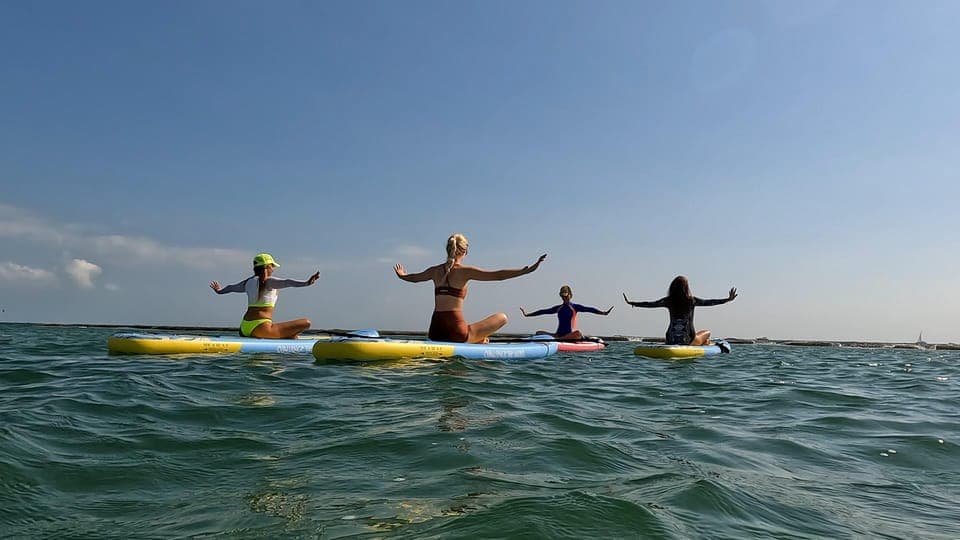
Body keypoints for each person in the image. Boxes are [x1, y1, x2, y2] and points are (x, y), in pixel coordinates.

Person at [394, 233, 547, 343]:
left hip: (435, 331)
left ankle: (477, 339)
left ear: (448, 250)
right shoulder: (465, 271)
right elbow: (498, 275)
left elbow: (414, 278)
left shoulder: (434, 271)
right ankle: (476, 339)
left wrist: (402, 275)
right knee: (503, 317)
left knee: (473, 331)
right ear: (465, 251)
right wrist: (527, 270)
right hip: (456, 332)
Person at [210, 253, 320, 339]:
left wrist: (219, 291)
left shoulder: (248, 282)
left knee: (293, 335)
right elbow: (288, 282)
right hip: (261, 328)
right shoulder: (270, 281)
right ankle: (288, 338)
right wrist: (307, 283)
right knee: (306, 323)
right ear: (268, 267)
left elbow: (231, 287)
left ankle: (288, 336)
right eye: (273, 266)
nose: (274, 269)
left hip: (244, 328)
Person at [623, 275, 737, 346]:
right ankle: (703, 343)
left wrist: (632, 303)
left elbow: (650, 304)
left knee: (703, 339)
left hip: (670, 339)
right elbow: (710, 302)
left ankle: (703, 343)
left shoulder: (668, 301)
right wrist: (727, 300)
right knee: (707, 332)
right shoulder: (692, 301)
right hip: (688, 341)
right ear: (687, 288)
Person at [520, 285, 613, 340]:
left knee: (579, 333)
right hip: (558, 335)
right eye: (562, 296)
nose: (564, 298)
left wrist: (603, 313)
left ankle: (559, 340)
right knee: (538, 332)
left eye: (565, 296)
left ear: (570, 295)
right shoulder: (558, 308)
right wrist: (528, 314)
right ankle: (558, 339)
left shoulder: (575, 307)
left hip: (570, 335)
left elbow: (590, 309)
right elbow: (543, 311)